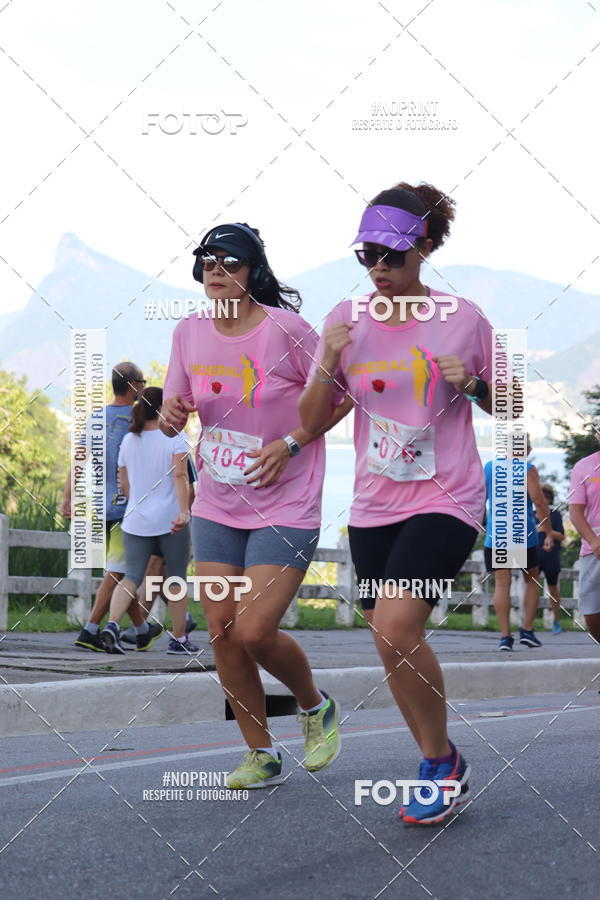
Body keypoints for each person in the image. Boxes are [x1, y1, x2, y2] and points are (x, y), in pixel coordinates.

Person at [299, 182, 493, 825]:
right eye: (367, 256)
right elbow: (314, 417)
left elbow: (514, 408)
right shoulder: (345, 320)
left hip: (447, 497)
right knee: (388, 642)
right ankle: (443, 759)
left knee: (395, 627)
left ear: (427, 247)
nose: (378, 268)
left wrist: (481, 384)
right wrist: (327, 358)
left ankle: (438, 766)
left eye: (392, 254)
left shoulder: (464, 319)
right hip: (374, 504)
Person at [161, 222, 352, 789]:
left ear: (253, 272)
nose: (216, 270)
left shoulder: (286, 331)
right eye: (207, 261)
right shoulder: (189, 332)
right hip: (218, 501)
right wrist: (174, 414)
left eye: (230, 261)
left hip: (286, 502)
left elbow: (339, 400)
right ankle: (260, 753)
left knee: (254, 632)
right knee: (220, 630)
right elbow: (183, 401)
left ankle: (314, 707)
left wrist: (290, 443)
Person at [100, 386, 198, 655]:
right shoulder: (175, 438)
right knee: (176, 579)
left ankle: (111, 626)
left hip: (135, 520)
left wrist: (137, 506)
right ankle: (179, 639)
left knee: (131, 577)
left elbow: (124, 482)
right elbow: (181, 477)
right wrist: (183, 512)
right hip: (170, 521)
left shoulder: (130, 440)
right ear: (163, 407)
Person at [60, 361, 147, 651]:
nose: (144, 387)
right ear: (133, 385)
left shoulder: (96, 418)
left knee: (122, 571)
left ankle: (143, 629)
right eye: (142, 382)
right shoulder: (139, 418)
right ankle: (90, 629)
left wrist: (67, 496)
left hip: (102, 507)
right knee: (118, 572)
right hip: (129, 508)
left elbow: (79, 459)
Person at [483, 436, 553, 650]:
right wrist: (548, 531)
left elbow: (480, 498)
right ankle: (527, 630)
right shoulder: (528, 469)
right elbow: (539, 501)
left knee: (502, 585)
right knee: (532, 579)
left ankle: (505, 637)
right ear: (527, 449)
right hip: (523, 535)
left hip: (497, 535)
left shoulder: (490, 467)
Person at [120, 456, 198, 646]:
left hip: (172, 522)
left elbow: (191, 490)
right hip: (148, 520)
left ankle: (139, 626)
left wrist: (183, 516)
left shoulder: (178, 450)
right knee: (160, 576)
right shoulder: (140, 448)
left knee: (152, 570)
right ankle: (184, 618)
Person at [568, 418, 600, 644]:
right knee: (591, 611)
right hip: (594, 548)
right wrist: (593, 540)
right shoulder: (584, 467)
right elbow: (576, 512)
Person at [536, 483, 565, 634]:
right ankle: (528, 623)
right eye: (541, 496)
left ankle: (556, 621)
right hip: (533, 556)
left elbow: (561, 536)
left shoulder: (555, 514)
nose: (544, 499)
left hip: (551, 557)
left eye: (546, 496)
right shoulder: (529, 514)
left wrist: (547, 531)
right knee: (531, 588)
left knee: (553, 589)